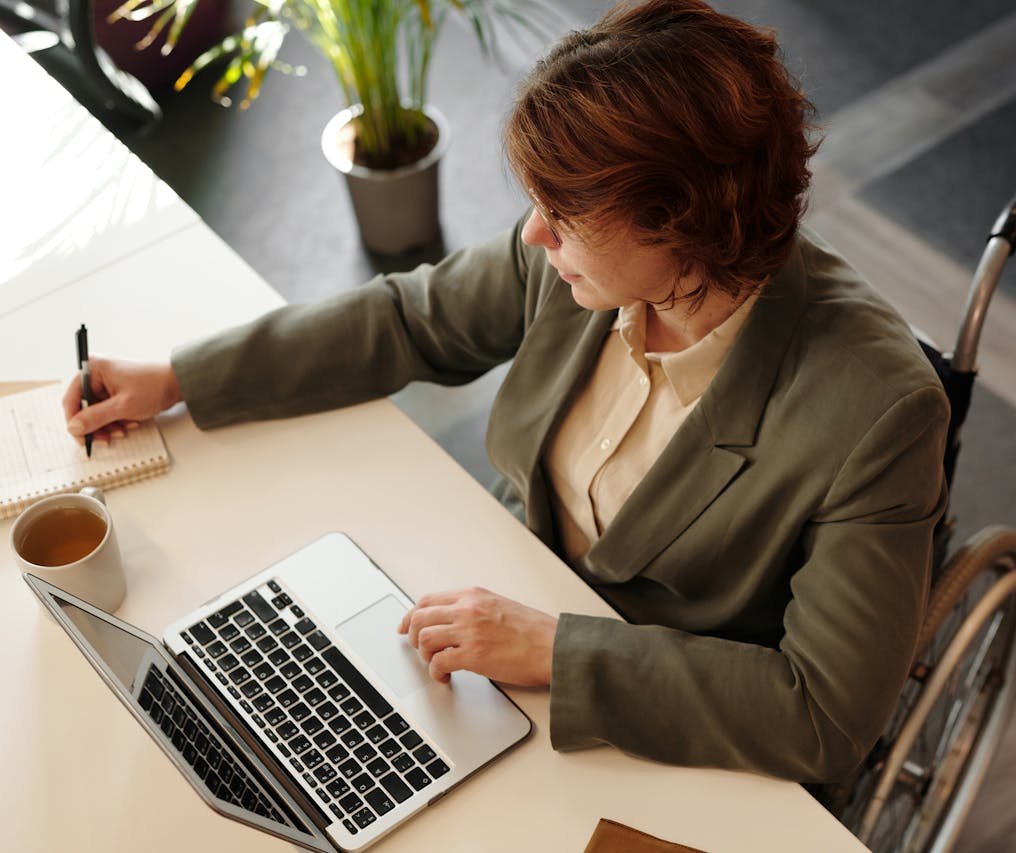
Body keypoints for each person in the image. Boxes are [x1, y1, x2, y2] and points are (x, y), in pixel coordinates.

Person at [64, 0, 948, 786]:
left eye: (561, 218)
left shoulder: (878, 411)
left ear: (680, 222)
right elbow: (411, 320)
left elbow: (825, 717)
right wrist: (184, 377)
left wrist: (556, 651)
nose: (532, 233)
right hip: (497, 606)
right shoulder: (577, 264)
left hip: (660, 704)